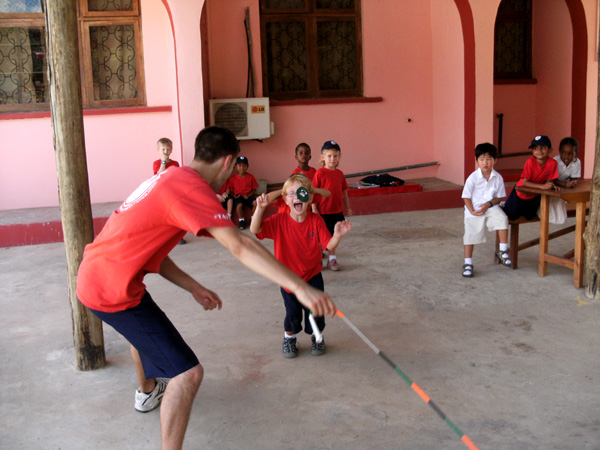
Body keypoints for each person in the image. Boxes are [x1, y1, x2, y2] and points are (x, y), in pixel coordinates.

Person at [76, 126, 336, 450]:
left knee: (143, 335)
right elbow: (240, 245)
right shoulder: (189, 188)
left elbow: (147, 250)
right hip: (111, 291)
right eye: (232, 169)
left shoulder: (171, 178)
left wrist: (193, 287)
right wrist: (299, 287)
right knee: (187, 375)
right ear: (227, 162)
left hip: (102, 275)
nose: (229, 181)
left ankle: (146, 392)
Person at [250, 173, 351, 358]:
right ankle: (289, 337)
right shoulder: (278, 221)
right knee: (292, 313)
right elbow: (255, 230)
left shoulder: (316, 220)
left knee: (316, 310)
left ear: (310, 198)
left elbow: (328, 246)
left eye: (302, 192)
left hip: (312, 276)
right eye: (291, 193)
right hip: (288, 279)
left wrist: (337, 235)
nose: (297, 196)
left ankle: (317, 336)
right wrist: (260, 209)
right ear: (285, 200)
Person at [461, 143, 511, 278]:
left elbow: (500, 197)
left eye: (489, 159)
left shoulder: (498, 177)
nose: (485, 163)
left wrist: (488, 204)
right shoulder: (473, 177)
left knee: (502, 218)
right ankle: (468, 263)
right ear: (477, 161)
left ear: (495, 160)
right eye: (482, 159)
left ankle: (503, 251)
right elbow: (466, 196)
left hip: (490, 208)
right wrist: (472, 211)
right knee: (470, 233)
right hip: (474, 209)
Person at [312, 140, 352, 271]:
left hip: (337, 212)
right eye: (329, 156)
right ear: (323, 157)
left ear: (339, 157)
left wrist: (348, 207)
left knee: (335, 235)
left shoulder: (340, 174)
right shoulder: (320, 173)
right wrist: (314, 209)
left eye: (335, 156)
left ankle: (332, 259)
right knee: (320, 237)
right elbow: (314, 192)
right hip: (323, 212)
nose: (332, 159)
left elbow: (344, 191)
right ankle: (317, 258)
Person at [502, 135, 560, 222]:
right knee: (511, 215)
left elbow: (549, 181)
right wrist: (543, 187)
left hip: (535, 194)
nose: (539, 151)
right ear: (532, 151)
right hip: (520, 192)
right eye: (536, 148)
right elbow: (525, 183)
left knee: (530, 216)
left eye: (543, 147)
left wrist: (551, 186)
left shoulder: (553, 163)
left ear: (550, 150)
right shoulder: (530, 162)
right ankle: (504, 205)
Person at [153, 137, 186, 244]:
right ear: (158, 150)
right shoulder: (157, 163)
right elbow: (159, 175)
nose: (166, 152)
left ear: (171, 150)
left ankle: (177, 236)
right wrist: (163, 162)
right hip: (161, 192)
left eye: (168, 149)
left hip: (172, 191)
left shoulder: (175, 163)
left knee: (176, 212)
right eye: (163, 149)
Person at [229, 155, 258, 230]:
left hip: (248, 196)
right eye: (239, 165)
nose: (242, 168)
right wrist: (234, 196)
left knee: (255, 203)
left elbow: (254, 189)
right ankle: (242, 220)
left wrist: (248, 195)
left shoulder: (250, 177)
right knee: (239, 205)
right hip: (239, 197)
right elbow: (231, 191)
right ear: (235, 167)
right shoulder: (232, 179)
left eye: (244, 166)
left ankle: (253, 219)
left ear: (247, 167)